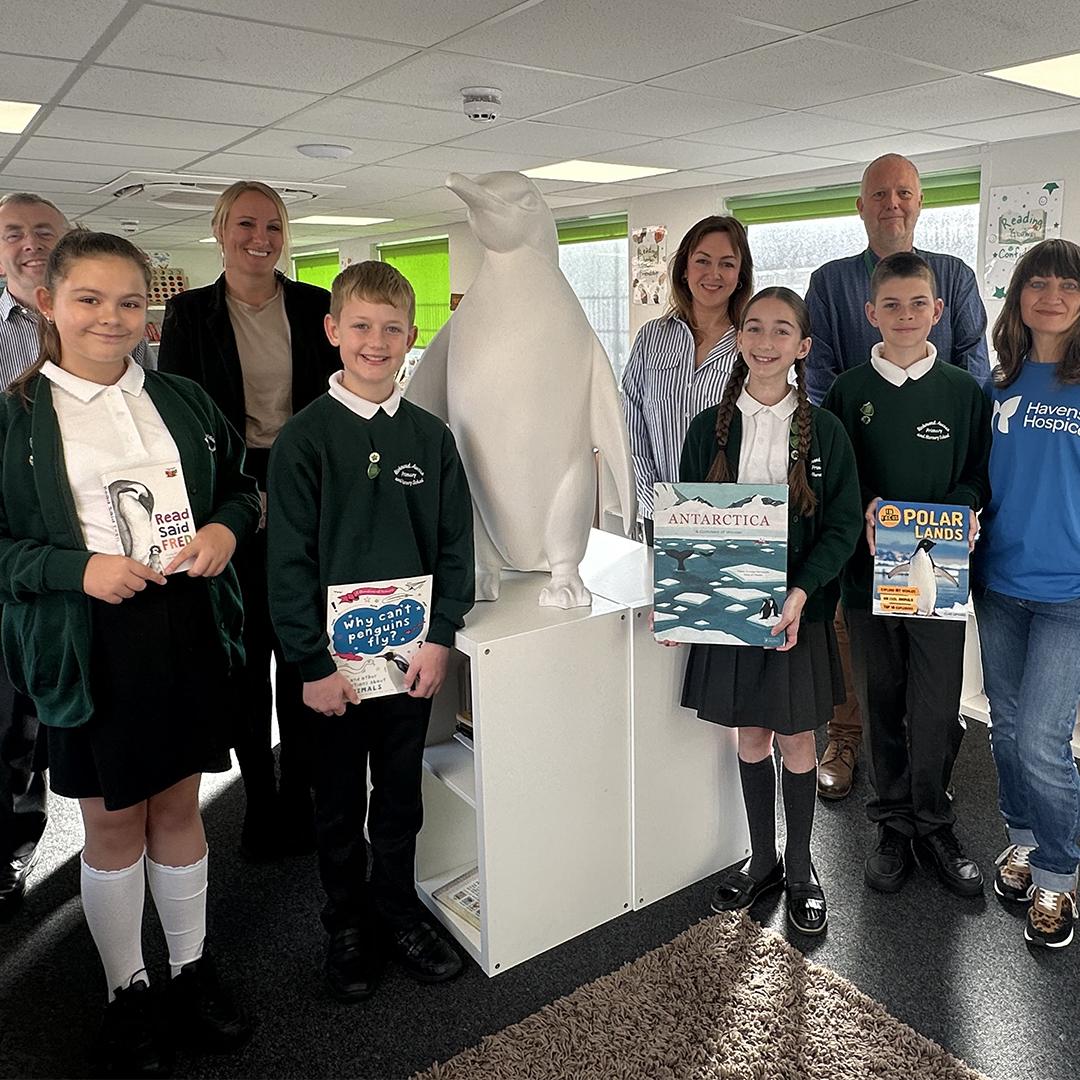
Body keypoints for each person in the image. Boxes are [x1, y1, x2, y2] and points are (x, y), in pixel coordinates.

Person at [0, 230, 258, 1075]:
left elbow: (241, 490)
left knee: (179, 810)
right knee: (113, 826)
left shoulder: (180, 398)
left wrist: (224, 527)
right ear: (48, 303)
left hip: (187, 627)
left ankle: (189, 968)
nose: (112, 318)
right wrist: (79, 569)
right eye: (89, 299)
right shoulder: (14, 417)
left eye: (127, 301)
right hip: (90, 638)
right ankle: (128, 987)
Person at [267, 261, 475, 1001]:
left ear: (412, 337)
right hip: (329, 668)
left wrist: (442, 636)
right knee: (334, 801)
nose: (376, 341)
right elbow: (286, 563)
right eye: (360, 326)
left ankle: (394, 909)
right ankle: (345, 922)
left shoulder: (430, 437)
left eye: (392, 328)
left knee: (398, 794)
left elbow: (455, 545)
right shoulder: (305, 439)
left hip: (407, 658)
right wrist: (309, 664)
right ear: (332, 332)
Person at [158, 180, 339, 861]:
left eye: (272, 225)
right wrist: (236, 499)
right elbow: (179, 418)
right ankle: (260, 800)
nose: (259, 237)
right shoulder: (190, 314)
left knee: (301, 653)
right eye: (244, 224)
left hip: (306, 491)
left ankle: (300, 792)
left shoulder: (317, 306)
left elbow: (334, 404)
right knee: (245, 660)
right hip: (228, 498)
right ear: (219, 230)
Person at [805, 155, 990, 801]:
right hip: (864, 519)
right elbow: (819, 382)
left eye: (904, 192)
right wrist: (869, 442)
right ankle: (850, 743)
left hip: (936, 526)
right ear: (859, 204)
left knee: (934, 683)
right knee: (869, 668)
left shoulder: (956, 278)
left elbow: (975, 373)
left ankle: (930, 801)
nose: (892, 203)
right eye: (878, 193)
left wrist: (947, 503)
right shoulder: (828, 282)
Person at [678, 287, 862, 935]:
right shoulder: (707, 428)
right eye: (753, 328)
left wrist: (803, 591)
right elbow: (691, 522)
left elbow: (841, 528)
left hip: (797, 613)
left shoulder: (829, 433)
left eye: (781, 331)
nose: (764, 340)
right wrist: (685, 601)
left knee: (797, 739)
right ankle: (763, 862)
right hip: (732, 610)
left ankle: (804, 867)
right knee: (750, 734)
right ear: (740, 339)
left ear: (802, 348)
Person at [823, 252, 991, 900]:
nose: (904, 316)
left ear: (938, 312)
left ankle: (934, 823)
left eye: (917, 304)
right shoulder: (848, 392)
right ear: (871, 312)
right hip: (869, 581)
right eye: (890, 305)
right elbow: (838, 477)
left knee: (935, 705)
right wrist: (864, 503)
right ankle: (892, 823)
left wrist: (966, 508)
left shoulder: (962, 392)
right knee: (883, 702)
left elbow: (979, 474)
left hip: (937, 571)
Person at [973, 238, 1080, 949]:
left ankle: (1060, 877)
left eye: (1067, 285)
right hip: (1000, 586)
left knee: (1043, 739)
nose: (1052, 296)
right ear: (1017, 298)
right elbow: (978, 484)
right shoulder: (999, 382)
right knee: (1007, 729)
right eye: (1036, 284)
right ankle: (1021, 839)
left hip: (1070, 594)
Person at [622, 215, 753, 541]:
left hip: (730, 518)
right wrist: (654, 498)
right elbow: (629, 422)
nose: (714, 274)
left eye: (727, 264)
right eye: (702, 261)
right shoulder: (651, 337)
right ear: (684, 269)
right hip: (657, 512)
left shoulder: (753, 345)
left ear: (739, 275)